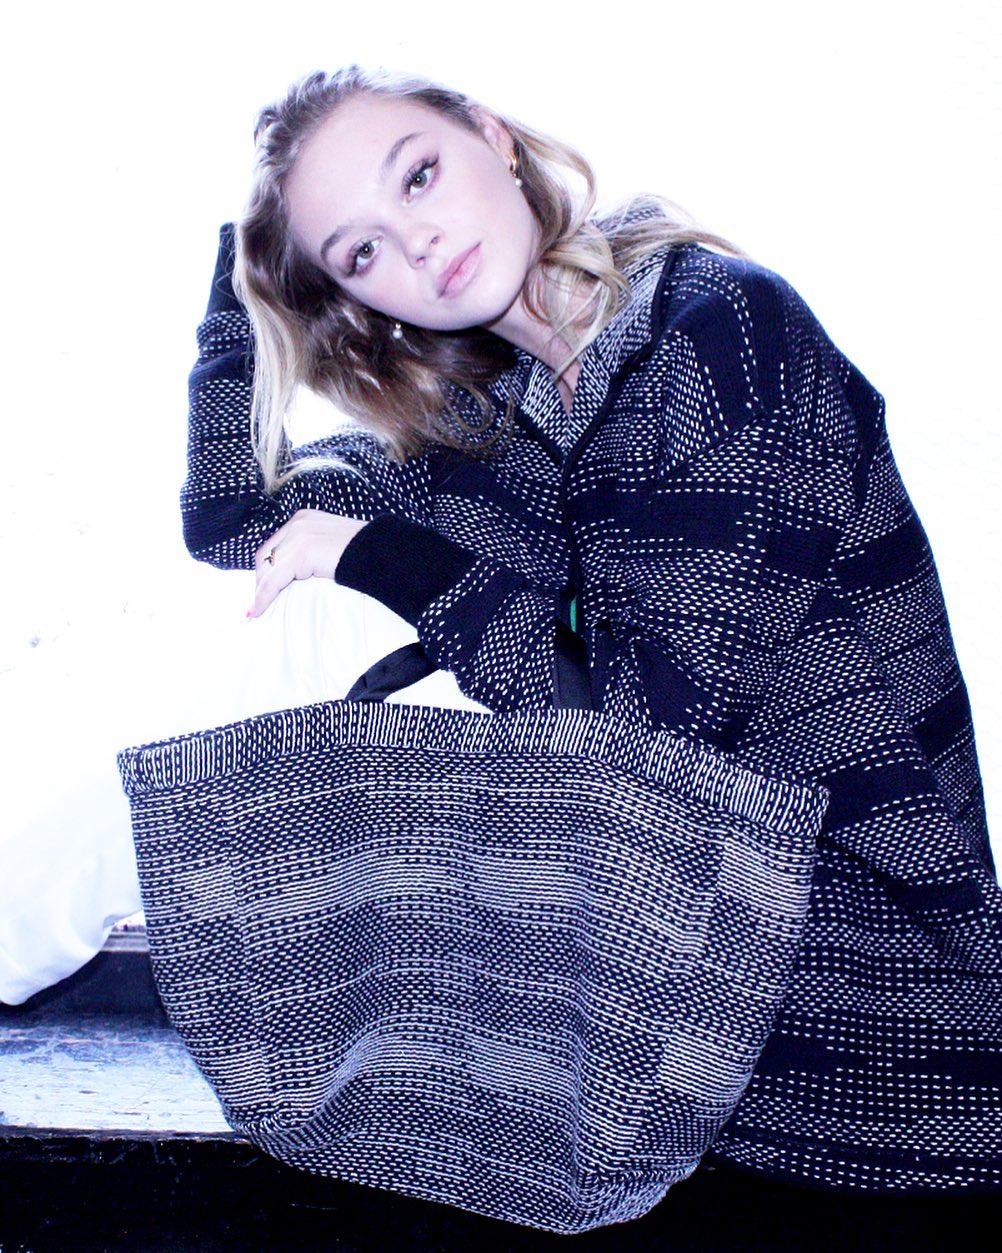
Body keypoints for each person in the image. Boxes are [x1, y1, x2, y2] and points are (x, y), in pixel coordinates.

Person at [94, 64, 1002, 1190]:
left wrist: (386, 558)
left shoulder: (718, 334)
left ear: (495, 138)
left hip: (880, 1034)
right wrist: (247, 279)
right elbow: (233, 519)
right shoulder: (493, 419)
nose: (418, 243)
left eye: (418, 176)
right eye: (361, 251)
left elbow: (643, 746)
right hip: (661, 1039)